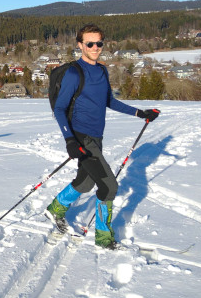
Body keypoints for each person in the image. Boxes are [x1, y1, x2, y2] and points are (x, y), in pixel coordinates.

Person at [44, 24, 160, 249]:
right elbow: (59, 109)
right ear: (80, 45)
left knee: (86, 182)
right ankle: (103, 238)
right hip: (81, 136)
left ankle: (55, 209)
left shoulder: (102, 70)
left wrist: (139, 113)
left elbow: (109, 101)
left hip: (96, 136)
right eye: (90, 43)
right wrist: (70, 140)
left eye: (99, 43)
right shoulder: (73, 73)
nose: (95, 47)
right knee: (109, 187)